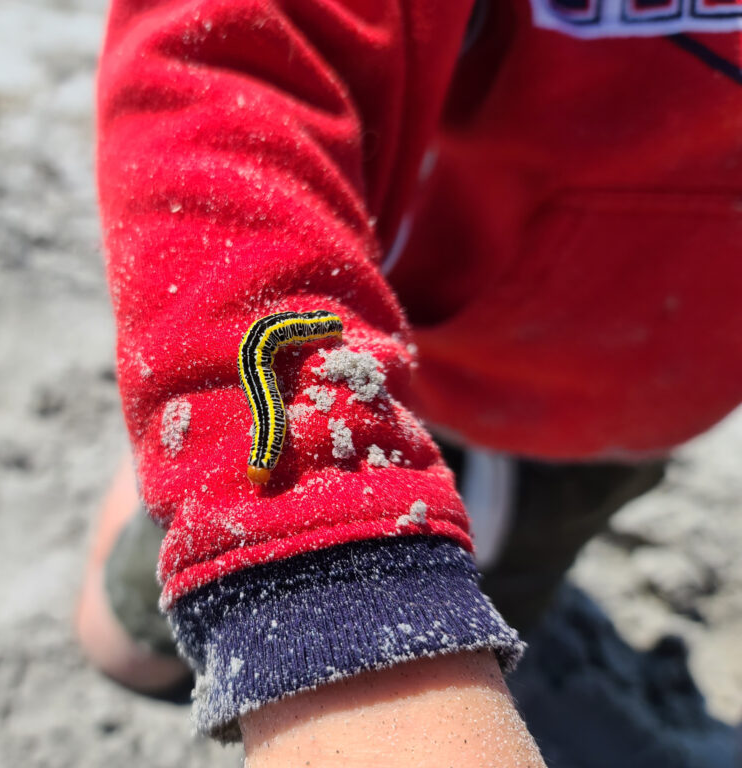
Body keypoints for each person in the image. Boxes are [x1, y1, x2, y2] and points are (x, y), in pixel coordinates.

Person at [79, 0, 742, 763]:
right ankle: (153, 478)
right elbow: (236, 61)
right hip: (409, 385)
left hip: (620, 429)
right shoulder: (280, 402)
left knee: (505, 617)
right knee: (129, 644)